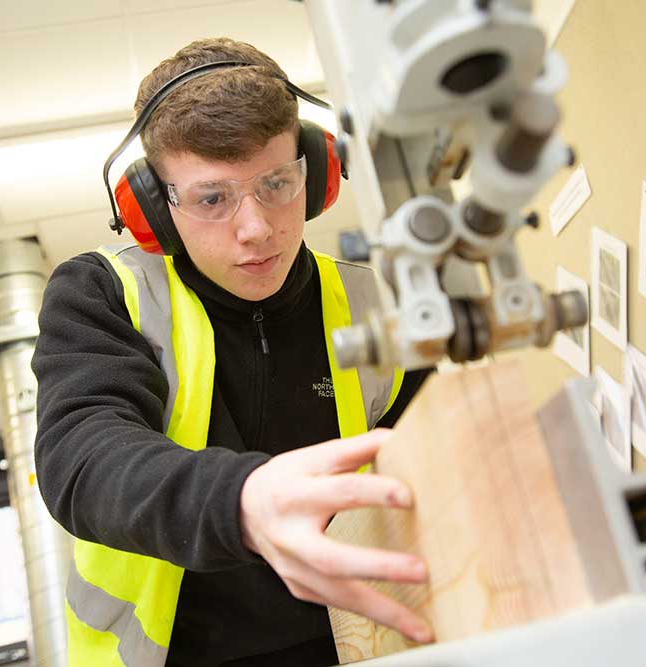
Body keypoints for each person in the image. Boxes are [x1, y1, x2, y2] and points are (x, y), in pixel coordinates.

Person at [33, 37, 433, 667]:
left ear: (318, 172)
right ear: (152, 209)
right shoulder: (106, 293)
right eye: (211, 198)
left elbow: (427, 467)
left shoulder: (376, 301)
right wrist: (242, 501)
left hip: (357, 643)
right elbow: (81, 460)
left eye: (277, 182)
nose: (256, 228)